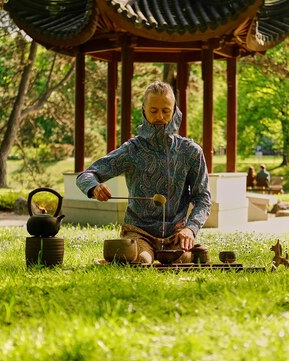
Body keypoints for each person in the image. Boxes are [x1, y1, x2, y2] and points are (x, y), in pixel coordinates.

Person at [76, 81, 211, 264]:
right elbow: (86, 175)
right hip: (138, 232)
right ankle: (131, 254)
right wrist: (94, 188)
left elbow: (202, 198)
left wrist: (191, 229)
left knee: (184, 259)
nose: (160, 117)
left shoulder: (190, 151)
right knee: (142, 259)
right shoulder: (132, 150)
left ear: (175, 111)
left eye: (166, 110)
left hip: (176, 235)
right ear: (143, 110)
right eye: (153, 111)